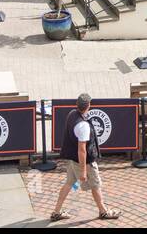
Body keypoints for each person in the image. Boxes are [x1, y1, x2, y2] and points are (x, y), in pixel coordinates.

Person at [50, 94, 120, 222]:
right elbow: (82, 150)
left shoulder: (72, 114)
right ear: (88, 106)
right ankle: (103, 211)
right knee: (95, 184)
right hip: (84, 162)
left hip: (72, 159)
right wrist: (83, 171)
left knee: (69, 183)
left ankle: (56, 211)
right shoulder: (83, 126)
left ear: (77, 104)